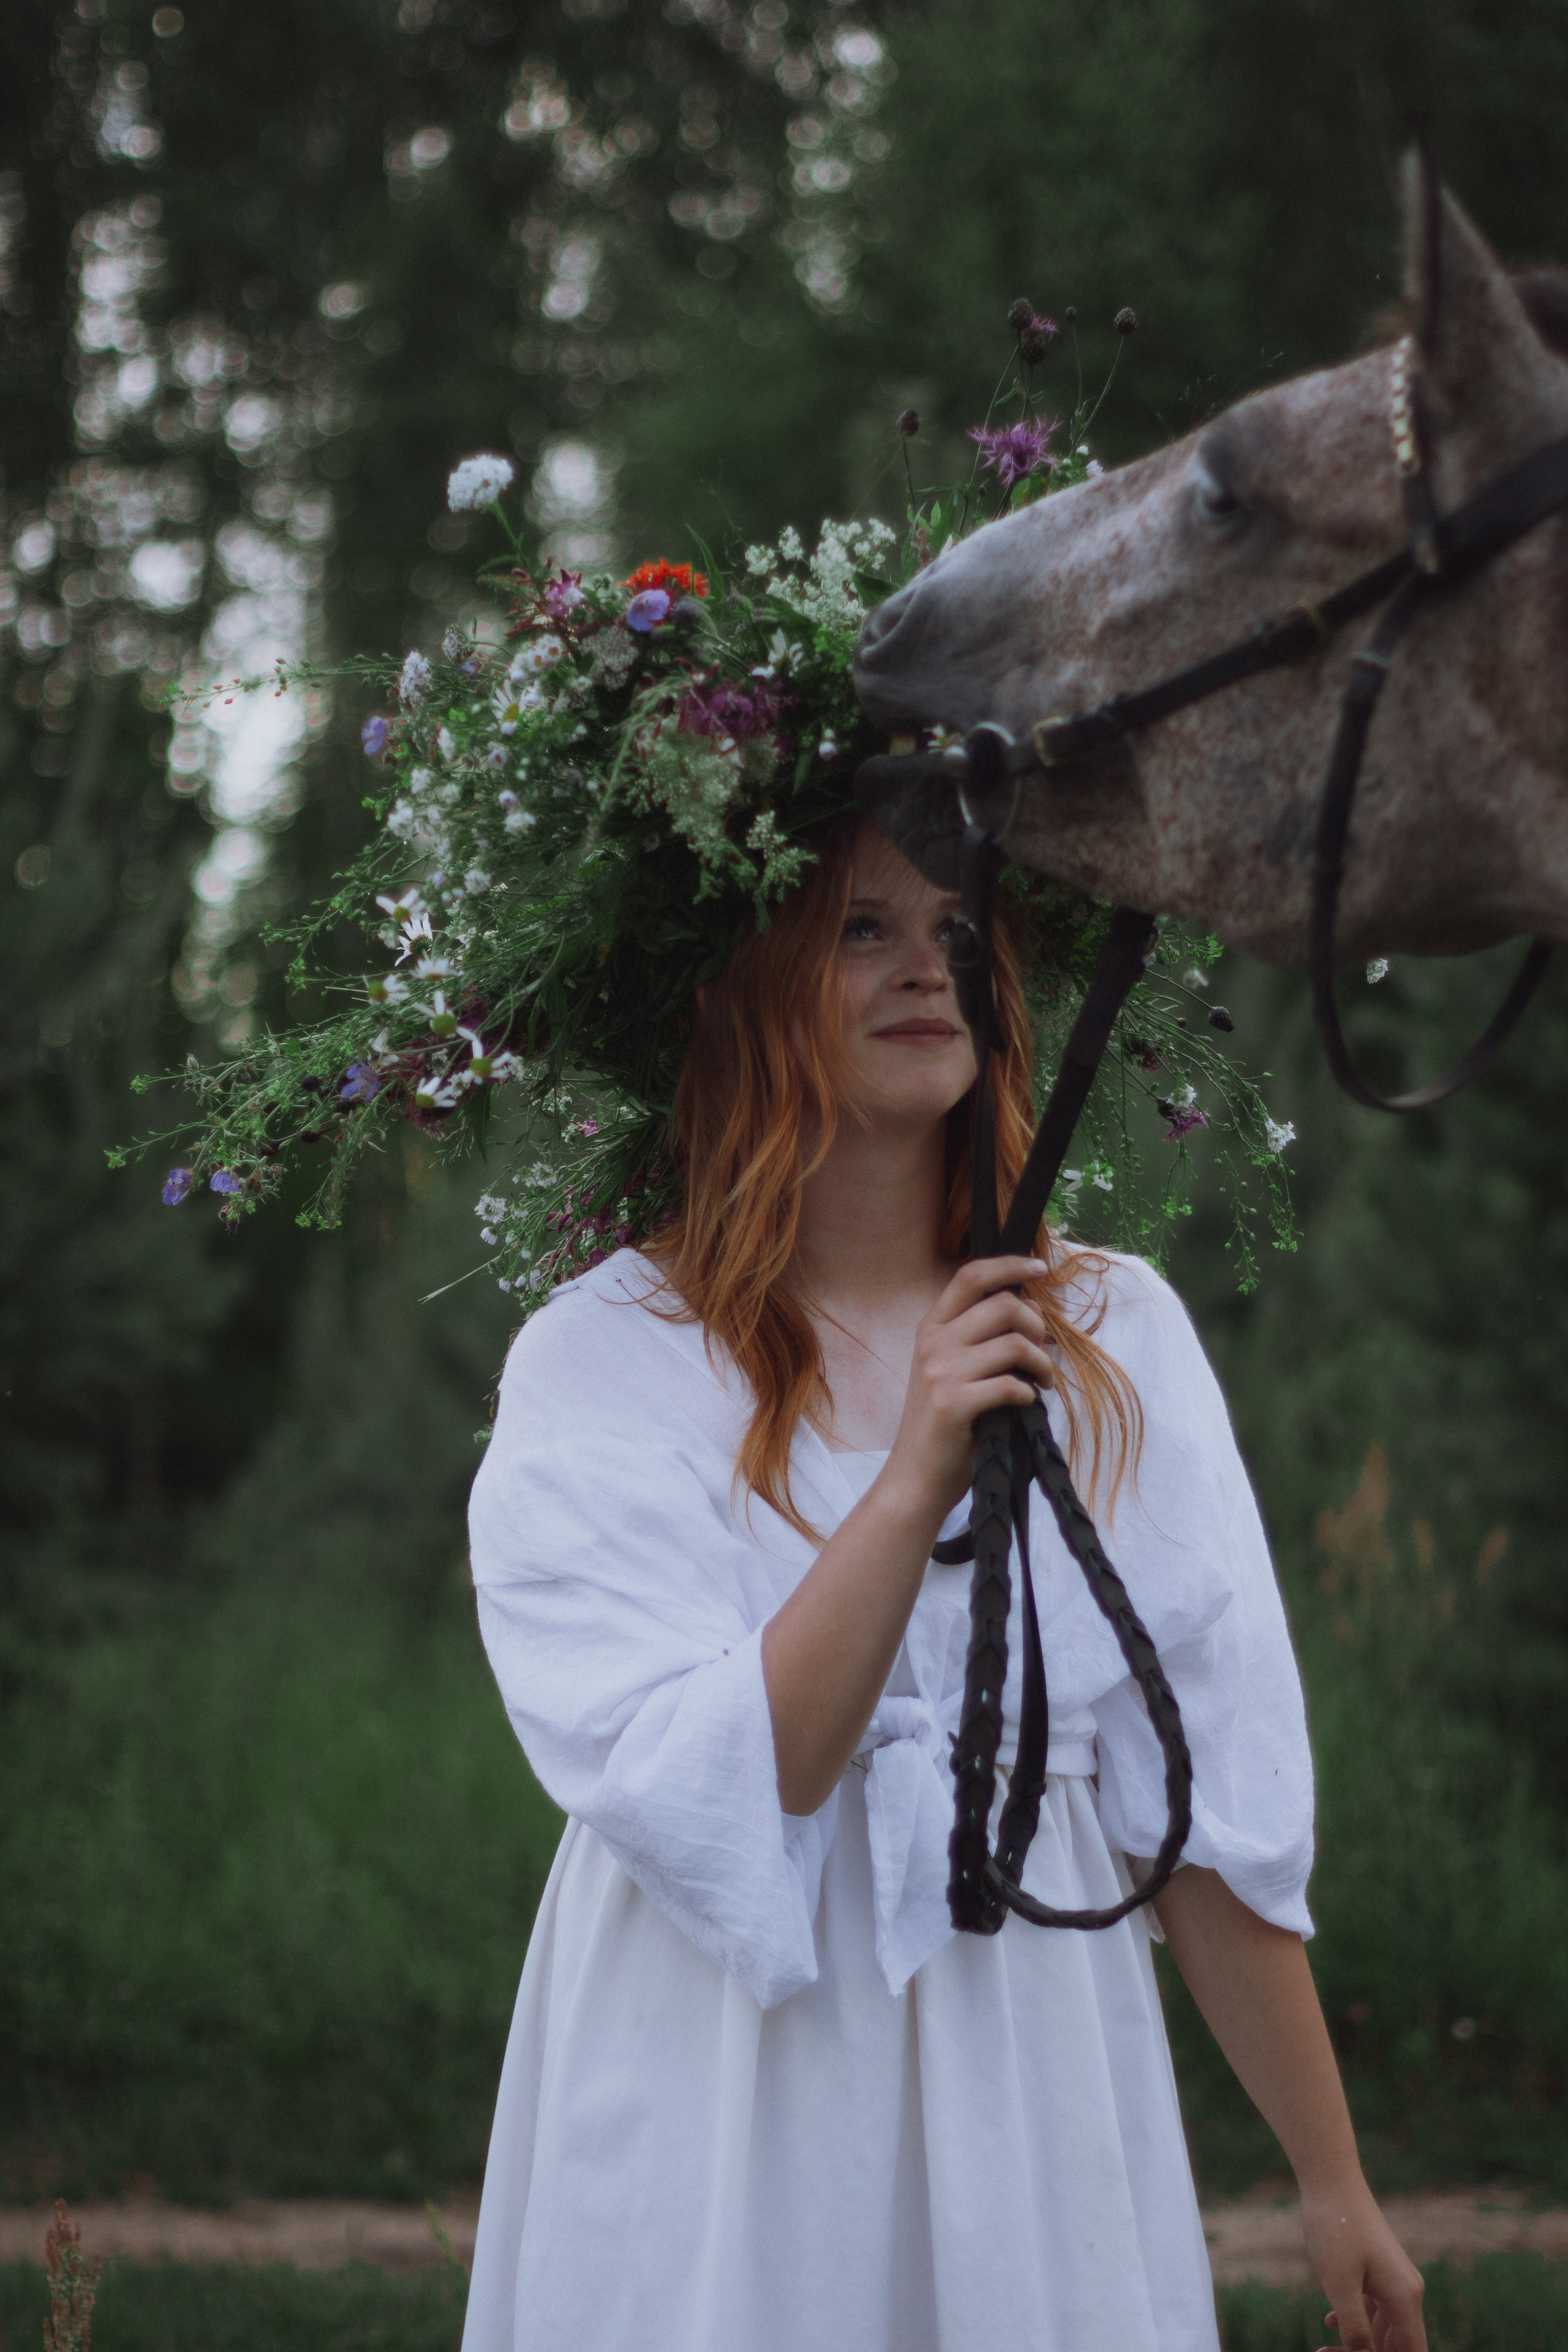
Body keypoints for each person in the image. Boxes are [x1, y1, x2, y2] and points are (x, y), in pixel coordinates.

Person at [461, 815, 1428, 2352]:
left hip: (1028, 2046)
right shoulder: (608, 1357)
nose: (928, 970)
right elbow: (746, 1779)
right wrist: (915, 1471)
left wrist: (1330, 2179)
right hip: (723, 2073)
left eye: (959, 933)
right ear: (729, 984)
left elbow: (1200, 1806)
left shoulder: (1109, 1332)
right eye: (861, 929)